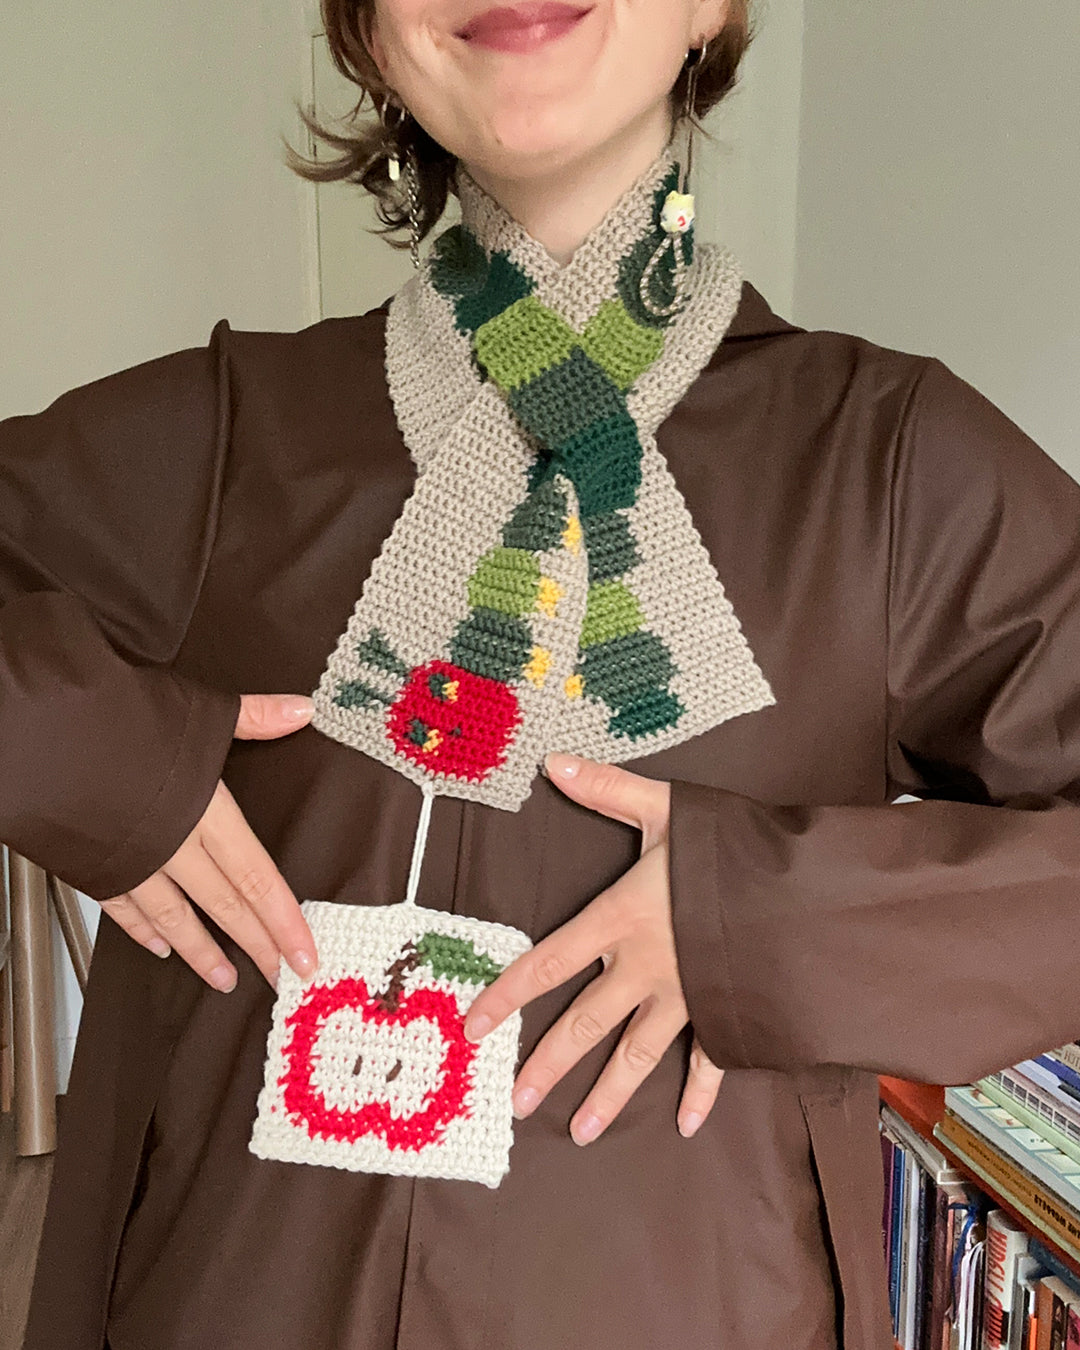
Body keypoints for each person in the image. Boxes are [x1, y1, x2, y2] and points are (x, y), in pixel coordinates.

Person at [9, 0, 1080, 1346]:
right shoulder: (225, 434)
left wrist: (761, 919)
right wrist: (93, 762)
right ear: (366, 32)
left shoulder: (891, 469)